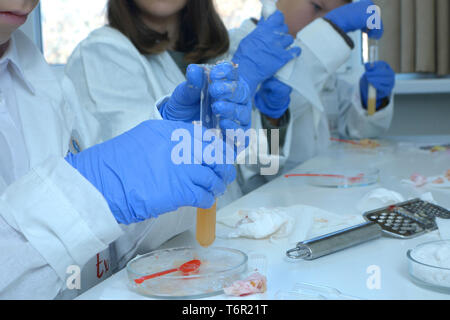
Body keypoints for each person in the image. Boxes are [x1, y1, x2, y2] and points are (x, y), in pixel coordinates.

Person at [0, 0, 246, 299]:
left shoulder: (37, 75)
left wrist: (147, 172)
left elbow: (97, 248)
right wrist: (88, 192)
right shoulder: (100, 51)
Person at [64, 0, 299, 206]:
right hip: (167, 250)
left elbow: (264, 168)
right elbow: (137, 179)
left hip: (229, 232)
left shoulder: (217, 55)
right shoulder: (101, 53)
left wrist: (272, 118)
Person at [228, 0, 396, 194]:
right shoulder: (237, 54)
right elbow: (260, 164)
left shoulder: (323, 67)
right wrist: (273, 122)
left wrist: (371, 102)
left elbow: (354, 132)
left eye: (331, 17)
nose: (321, 23)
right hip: (265, 203)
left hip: (320, 194)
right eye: (316, 7)